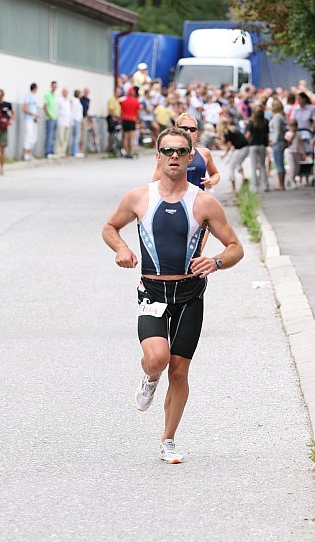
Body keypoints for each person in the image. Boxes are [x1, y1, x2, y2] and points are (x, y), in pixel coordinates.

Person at [102, 127, 244, 463]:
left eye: (181, 151)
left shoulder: (204, 202)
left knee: (179, 371)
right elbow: (109, 227)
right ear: (158, 156)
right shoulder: (139, 197)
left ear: (191, 156)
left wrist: (217, 261)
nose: (174, 157)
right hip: (152, 290)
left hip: (190, 293)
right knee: (158, 359)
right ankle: (151, 377)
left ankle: (168, 439)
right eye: (167, 151)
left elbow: (236, 247)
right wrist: (121, 247)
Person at [153, 113, 220, 191]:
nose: (188, 132)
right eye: (184, 128)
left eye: (192, 129)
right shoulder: (169, 154)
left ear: (196, 133)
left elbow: (215, 174)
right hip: (175, 200)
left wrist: (211, 181)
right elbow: (155, 183)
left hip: (197, 200)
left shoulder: (204, 153)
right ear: (176, 130)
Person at [220, 116, 249, 194]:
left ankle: (233, 188)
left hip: (241, 148)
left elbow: (229, 145)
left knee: (231, 166)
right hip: (245, 147)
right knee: (237, 163)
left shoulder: (227, 132)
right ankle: (243, 178)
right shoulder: (233, 129)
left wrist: (225, 154)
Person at [245, 108, 270, 192]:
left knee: (254, 166)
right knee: (263, 165)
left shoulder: (251, 123)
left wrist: (246, 141)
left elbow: (248, 135)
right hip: (262, 145)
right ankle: (265, 185)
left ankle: (254, 186)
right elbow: (267, 134)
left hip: (253, 145)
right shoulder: (265, 122)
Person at [269, 100, 287, 191]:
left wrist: (274, 141)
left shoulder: (277, 117)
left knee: (278, 162)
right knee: (280, 162)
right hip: (281, 142)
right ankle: (281, 183)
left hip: (278, 142)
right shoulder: (281, 116)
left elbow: (277, 130)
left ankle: (281, 184)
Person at [119, 87, 141, 159]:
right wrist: (138, 119)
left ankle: (126, 153)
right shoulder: (136, 101)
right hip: (132, 119)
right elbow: (138, 112)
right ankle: (131, 154)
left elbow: (121, 112)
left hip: (125, 119)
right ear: (134, 93)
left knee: (125, 137)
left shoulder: (124, 101)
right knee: (132, 138)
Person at [284, 120, 306, 188]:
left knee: (297, 167)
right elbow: (288, 142)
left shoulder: (299, 134)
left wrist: (303, 153)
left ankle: (292, 178)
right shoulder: (287, 134)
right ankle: (292, 179)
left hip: (297, 151)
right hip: (290, 151)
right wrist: (292, 134)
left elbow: (301, 144)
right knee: (292, 167)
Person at [22, 83, 39, 161]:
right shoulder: (28, 96)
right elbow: (24, 109)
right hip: (29, 119)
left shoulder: (34, 97)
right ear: (34, 88)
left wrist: (36, 116)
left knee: (34, 137)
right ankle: (25, 153)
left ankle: (30, 153)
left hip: (34, 119)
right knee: (29, 135)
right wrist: (33, 114)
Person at [43, 81, 58, 158]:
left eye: (56, 86)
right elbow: (44, 106)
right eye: (53, 86)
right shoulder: (47, 94)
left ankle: (52, 151)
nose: (55, 87)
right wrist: (49, 115)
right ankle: (47, 152)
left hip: (55, 118)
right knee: (49, 135)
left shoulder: (55, 95)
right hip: (50, 118)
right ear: (51, 86)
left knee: (53, 136)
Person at [55, 88, 72, 156]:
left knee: (66, 138)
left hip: (67, 122)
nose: (65, 93)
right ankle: (58, 151)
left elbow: (70, 111)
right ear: (62, 93)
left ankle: (63, 151)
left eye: (66, 92)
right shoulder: (59, 100)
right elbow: (57, 110)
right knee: (60, 137)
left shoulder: (68, 101)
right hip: (61, 121)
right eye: (64, 92)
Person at [107, 87, 122, 153]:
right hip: (112, 117)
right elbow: (111, 110)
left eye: (119, 92)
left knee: (115, 133)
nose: (119, 93)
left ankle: (114, 147)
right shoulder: (112, 99)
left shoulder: (117, 100)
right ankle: (110, 148)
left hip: (117, 117)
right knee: (112, 133)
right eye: (118, 92)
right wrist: (114, 117)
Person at [71, 90, 84, 157]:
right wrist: (72, 121)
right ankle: (75, 151)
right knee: (76, 136)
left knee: (76, 136)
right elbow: (73, 112)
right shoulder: (75, 101)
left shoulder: (78, 101)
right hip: (76, 120)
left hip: (78, 120)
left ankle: (75, 150)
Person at [79, 87, 91, 153]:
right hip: (80, 118)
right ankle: (78, 149)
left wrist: (87, 117)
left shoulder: (88, 100)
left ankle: (82, 150)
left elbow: (87, 109)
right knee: (80, 134)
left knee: (84, 134)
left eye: (87, 91)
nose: (86, 93)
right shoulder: (81, 99)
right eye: (85, 91)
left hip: (85, 118)